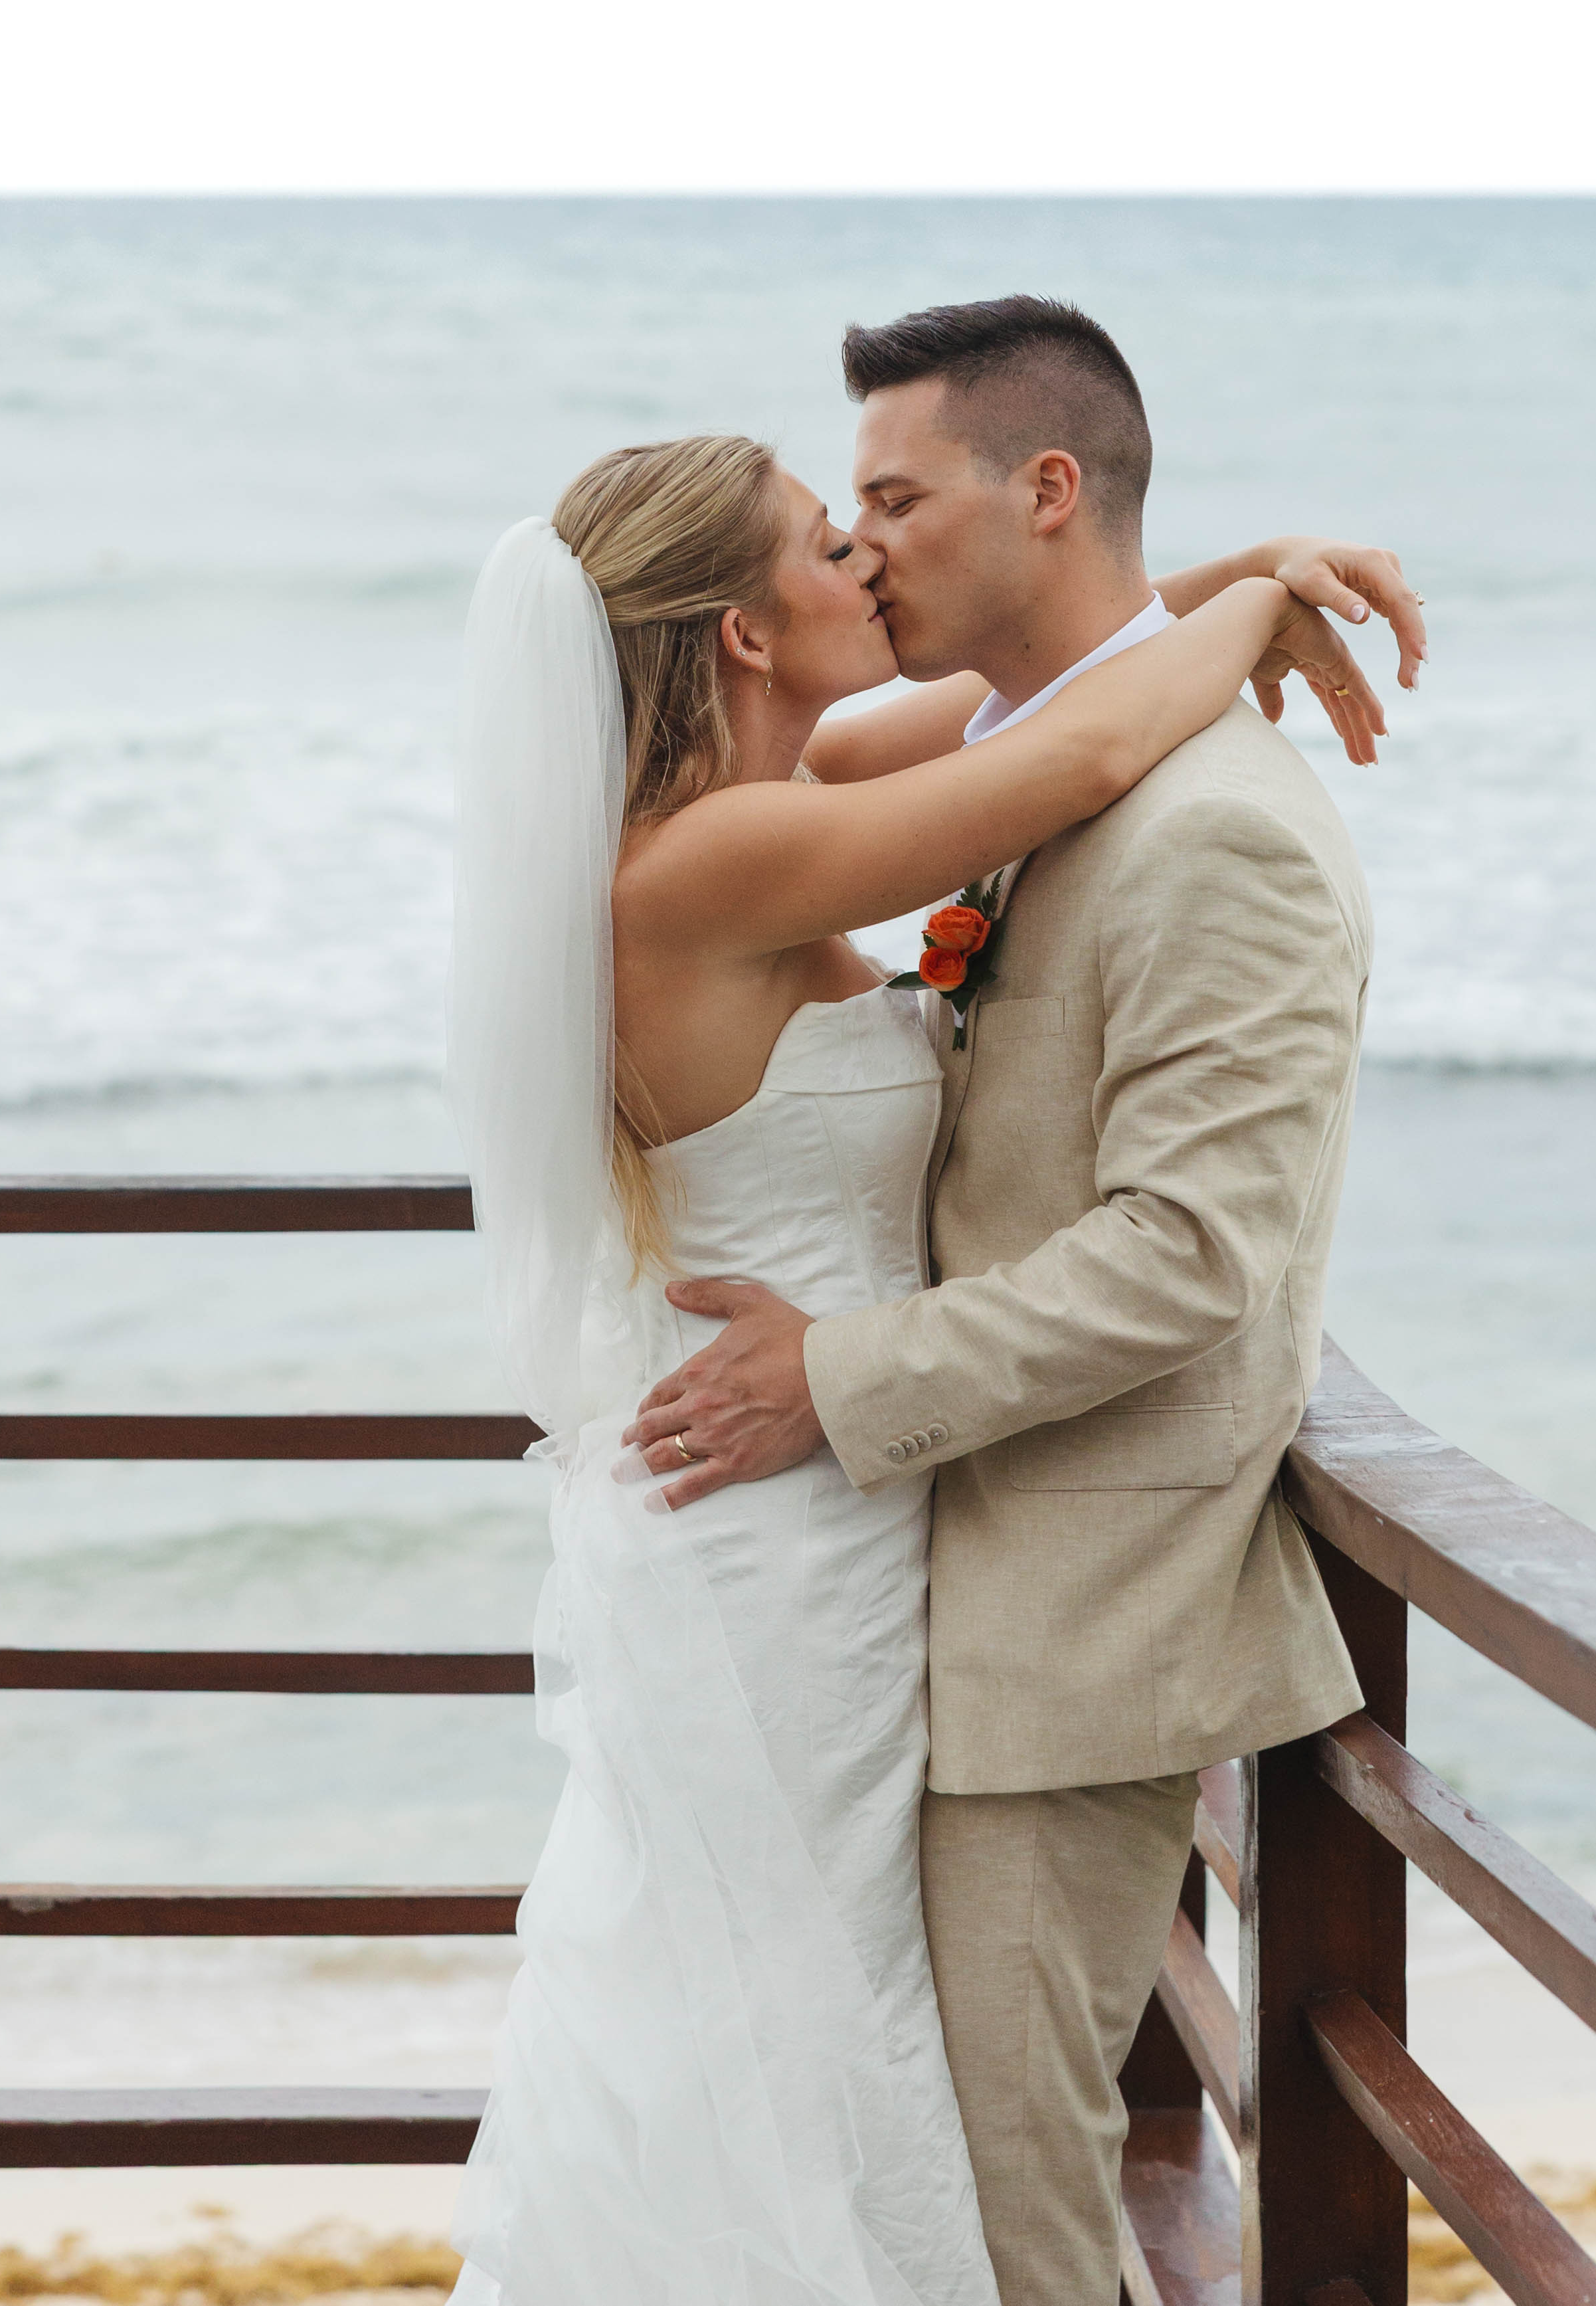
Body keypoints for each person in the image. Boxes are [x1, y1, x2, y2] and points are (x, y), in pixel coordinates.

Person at [447, 328, 1418, 2304]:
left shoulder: (808, 776)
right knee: (805, 2046)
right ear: (739, 629)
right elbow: (1064, 751)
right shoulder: (718, 855)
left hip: (868, 1517)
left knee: (835, 2055)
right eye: (836, 534)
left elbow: (1061, 691)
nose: (868, 562)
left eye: (886, 510)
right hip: (783, 1533)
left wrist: (1241, 577)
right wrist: (1264, 595)